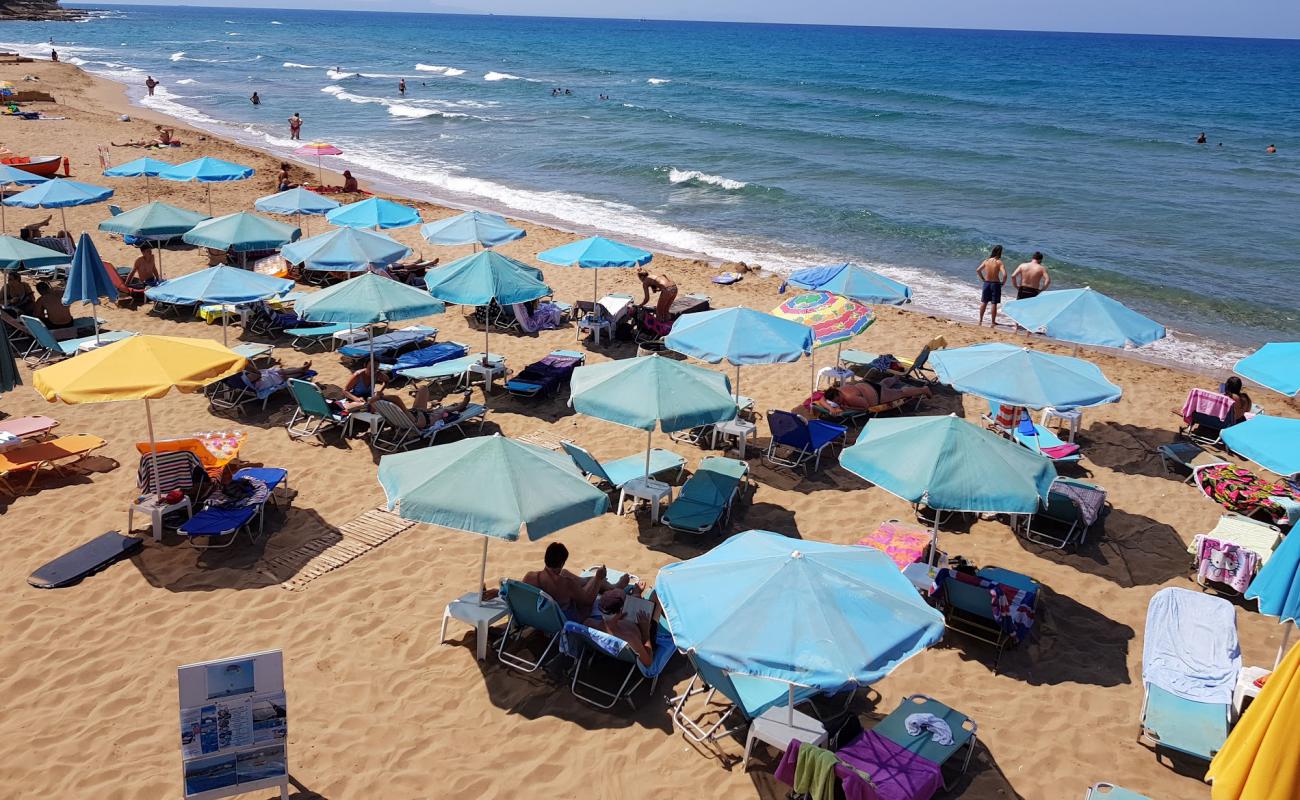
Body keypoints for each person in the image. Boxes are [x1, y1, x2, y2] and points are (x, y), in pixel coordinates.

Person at [484, 542, 629, 620]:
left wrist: (498, 592)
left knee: (574, 577)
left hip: (542, 617)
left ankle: (609, 585)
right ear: (561, 563)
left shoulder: (530, 577)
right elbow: (587, 601)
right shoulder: (566, 584)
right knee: (591, 583)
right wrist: (598, 579)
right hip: (564, 619)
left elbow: (519, 593)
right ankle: (615, 587)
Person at [595, 589, 665, 669]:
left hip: (627, 625)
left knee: (643, 598)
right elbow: (648, 662)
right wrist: (645, 631)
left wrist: (618, 618)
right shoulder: (630, 638)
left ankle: (637, 593)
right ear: (620, 610)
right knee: (658, 593)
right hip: (645, 633)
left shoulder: (591, 624)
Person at [371, 385, 473, 430]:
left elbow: (462, 406)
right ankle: (379, 397)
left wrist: (467, 397)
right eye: (453, 405)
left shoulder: (445, 411)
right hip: (418, 416)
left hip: (418, 420)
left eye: (453, 405)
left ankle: (380, 396)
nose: (452, 405)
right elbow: (460, 406)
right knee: (423, 388)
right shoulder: (442, 411)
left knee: (399, 399)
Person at [976, 244, 1006, 327]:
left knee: (984, 302)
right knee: (994, 303)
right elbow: (1004, 274)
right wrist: (1003, 283)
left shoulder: (986, 261)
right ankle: (993, 322)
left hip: (987, 283)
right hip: (995, 284)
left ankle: (980, 320)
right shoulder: (999, 262)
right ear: (1000, 253)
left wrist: (983, 279)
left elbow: (978, 270)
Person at [243, 361, 313, 393]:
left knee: (279, 371)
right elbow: (258, 375)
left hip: (260, 381)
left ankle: (301, 369)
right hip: (262, 383)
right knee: (282, 376)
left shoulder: (235, 376)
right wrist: (249, 367)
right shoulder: (244, 377)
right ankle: (302, 372)